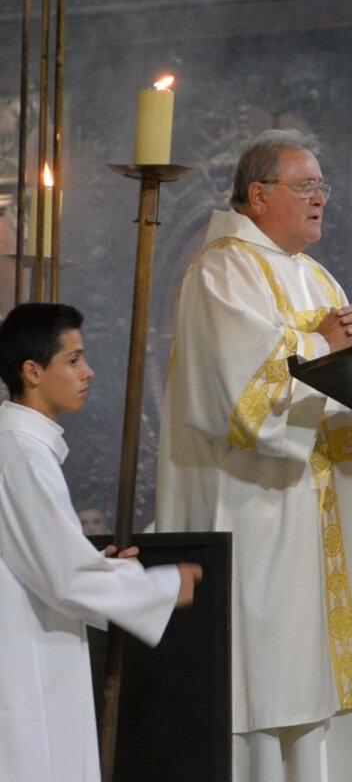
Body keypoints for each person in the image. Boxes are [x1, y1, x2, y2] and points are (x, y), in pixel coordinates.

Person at [155, 128, 352, 782]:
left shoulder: (317, 275)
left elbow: (334, 383)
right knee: (267, 690)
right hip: (260, 513)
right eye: (305, 186)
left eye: (322, 186)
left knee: (321, 690)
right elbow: (238, 400)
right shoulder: (223, 268)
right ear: (258, 195)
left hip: (318, 521)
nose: (320, 198)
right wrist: (322, 345)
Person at [0, 302, 201, 782]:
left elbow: (42, 561)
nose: (87, 372)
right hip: (25, 655)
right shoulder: (23, 453)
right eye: (73, 360)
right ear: (32, 371)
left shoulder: (20, 445)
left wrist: (105, 567)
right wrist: (159, 587)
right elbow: (64, 577)